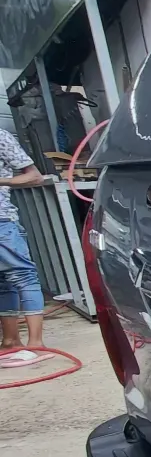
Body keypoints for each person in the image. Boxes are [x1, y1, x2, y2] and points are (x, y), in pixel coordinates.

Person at [0, 125, 47, 367]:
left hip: (1, 221)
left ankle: (35, 343)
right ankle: (10, 342)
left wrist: (1, 180)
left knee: (23, 277)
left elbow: (34, 176)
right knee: (2, 283)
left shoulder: (0, 137)